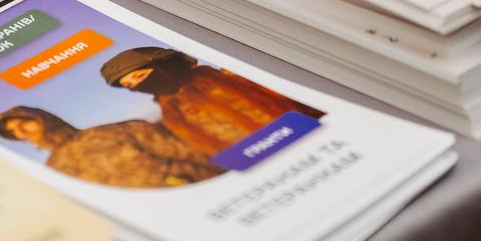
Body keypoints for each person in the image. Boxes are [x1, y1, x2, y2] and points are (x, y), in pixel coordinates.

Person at [99, 46, 325, 156]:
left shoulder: (232, 76)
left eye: (140, 75)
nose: (137, 85)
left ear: (163, 65)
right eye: (129, 85)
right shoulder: (170, 114)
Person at [0, 105, 224, 189]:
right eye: (14, 133)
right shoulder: (55, 172)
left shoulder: (114, 131)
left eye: (23, 124)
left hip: (201, 190)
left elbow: (194, 153)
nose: (21, 133)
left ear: (43, 119)